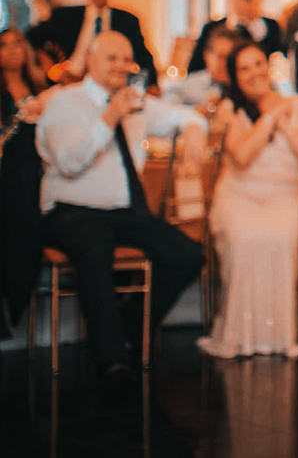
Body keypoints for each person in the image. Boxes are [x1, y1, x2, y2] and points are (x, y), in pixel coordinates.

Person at [35, 32, 206, 387]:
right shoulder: (64, 101)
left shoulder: (136, 102)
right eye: (111, 58)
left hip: (123, 212)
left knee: (187, 254)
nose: (121, 66)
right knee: (94, 245)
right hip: (70, 209)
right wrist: (109, 117)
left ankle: (128, 328)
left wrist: (194, 131)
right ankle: (111, 360)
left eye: (126, 59)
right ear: (91, 61)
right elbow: (68, 163)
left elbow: (186, 116)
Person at [197, 42, 298, 359]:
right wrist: (268, 119)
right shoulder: (230, 109)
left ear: (268, 66)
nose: (253, 73)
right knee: (245, 236)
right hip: (240, 195)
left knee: (282, 236)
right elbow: (241, 157)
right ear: (234, 77)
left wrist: (283, 122)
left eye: (257, 64)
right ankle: (239, 338)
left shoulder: (297, 104)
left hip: (284, 197)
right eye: (244, 68)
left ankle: (279, 338)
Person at [0, 28, 53, 331]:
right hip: (8, 174)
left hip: (38, 173)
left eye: (16, 44)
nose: (10, 50)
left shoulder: (39, 86)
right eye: (3, 45)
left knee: (30, 238)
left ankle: (19, 304)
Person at [28, 0, 158, 86]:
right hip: (72, 80)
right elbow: (32, 36)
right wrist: (53, 69)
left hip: (110, 83)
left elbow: (143, 56)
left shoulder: (126, 21)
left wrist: (152, 84)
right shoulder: (66, 16)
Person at [187, 0, 283, 73]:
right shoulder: (212, 29)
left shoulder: (271, 27)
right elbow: (194, 69)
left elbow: (277, 61)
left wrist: (252, 22)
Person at [165, 28, 236, 111]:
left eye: (230, 58)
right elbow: (166, 106)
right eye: (220, 57)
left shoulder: (242, 87)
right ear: (207, 55)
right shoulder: (192, 84)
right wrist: (195, 112)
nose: (226, 63)